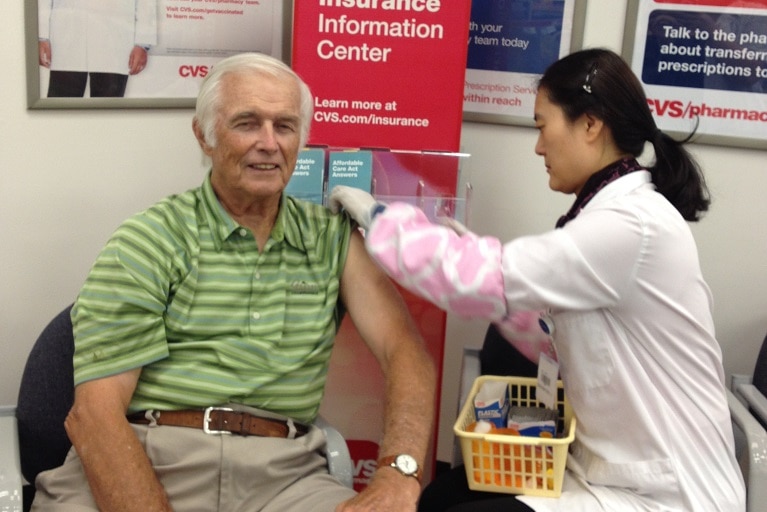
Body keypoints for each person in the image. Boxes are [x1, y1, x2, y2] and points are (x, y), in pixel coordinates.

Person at [329, 48, 746, 511]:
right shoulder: (606, 213)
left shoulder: (632, 226)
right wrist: (478, 269)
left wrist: (381, 219)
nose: (538, 146)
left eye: (542, 126)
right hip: (609, 470)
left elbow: (484, 278)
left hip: (668, 492)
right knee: (444, 495)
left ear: (590, 125)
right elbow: (544, 324)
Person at [31, 52, 436, 511]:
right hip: (151, 456)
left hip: (286, 479)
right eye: (247, 123)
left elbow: (406, 352)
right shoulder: (149, 239)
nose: (269, 143)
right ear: (203, 134)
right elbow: (94, 416)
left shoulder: (334, 241)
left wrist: (399, 474)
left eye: (284, 126)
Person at [38, 0, 158, 97]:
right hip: (68, 35)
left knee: (107, 117)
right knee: (61, 113)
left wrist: (143, 43)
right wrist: (41, 36)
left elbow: (147, 3)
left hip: (114, 39)